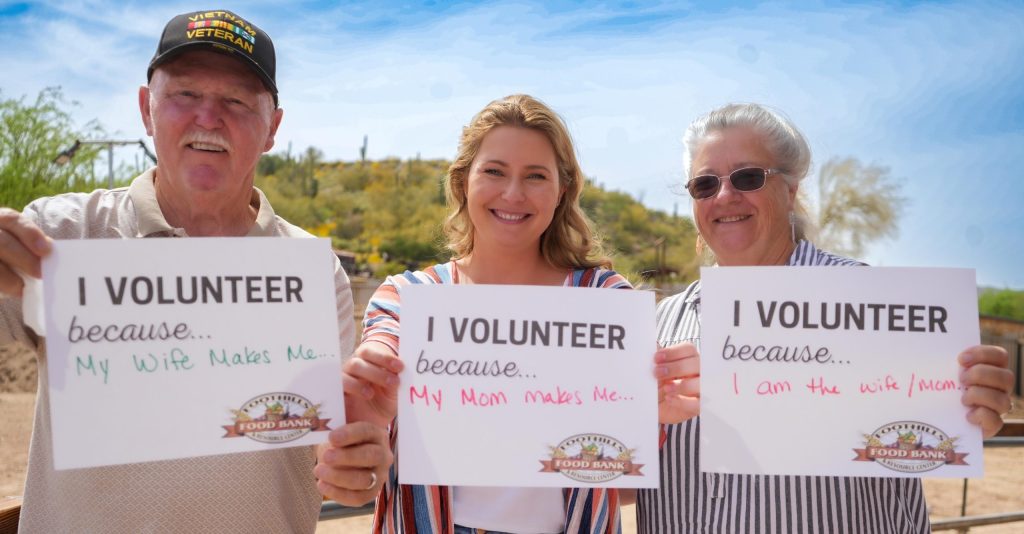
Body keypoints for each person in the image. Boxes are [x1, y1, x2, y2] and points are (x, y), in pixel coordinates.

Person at [0, 9, 390, 532]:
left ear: (273, 128)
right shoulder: (59, 235)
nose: (208, 117)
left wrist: (353, 463)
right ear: (146, 108)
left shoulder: (315, 271)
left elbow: (324, 438)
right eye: (185, 93)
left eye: (236, 101)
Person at [325, 94, 700, 533]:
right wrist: (367, 410)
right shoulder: (406, 298)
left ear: (562, 191)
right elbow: (368, 412)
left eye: (535, 176)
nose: (513, 194)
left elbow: (625, 473)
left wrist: (655, 410)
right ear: (463, 181)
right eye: (494, 171)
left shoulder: (606, 301)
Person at [635, 103, 1015, 533]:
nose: (724, 196)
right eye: (705, 184)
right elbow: (624, 476)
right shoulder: (662, 324)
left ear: (790, 189)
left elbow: (938, 423)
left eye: (748, 177)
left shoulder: (875, 305)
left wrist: (973, 405)